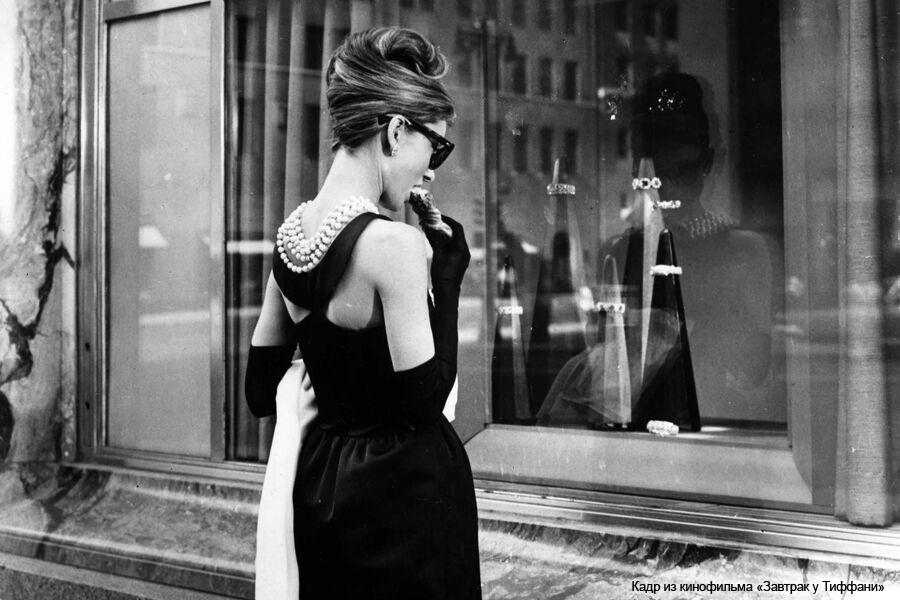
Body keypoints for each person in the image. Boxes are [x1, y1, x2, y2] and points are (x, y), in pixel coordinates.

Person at [244, 27, 481, 600]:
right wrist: (449, 276)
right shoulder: (394, 245)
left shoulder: (291, 241)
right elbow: (424, 401)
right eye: (436, 148)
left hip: (324, 487)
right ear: (396, 131)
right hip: (407, 496)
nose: (432, 171)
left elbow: (258, 392)